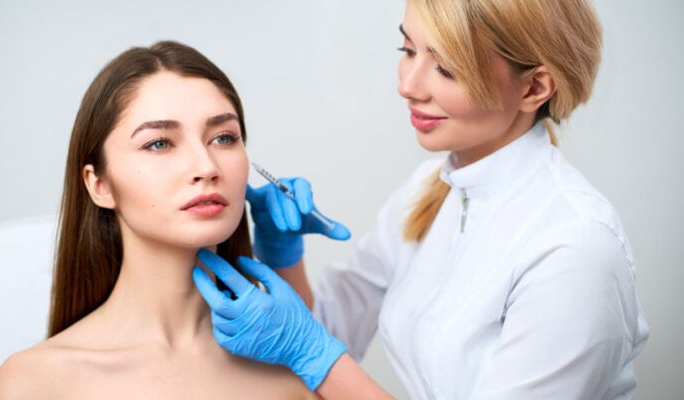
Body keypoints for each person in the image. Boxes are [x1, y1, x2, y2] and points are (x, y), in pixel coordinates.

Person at [193, 0, 649, 399]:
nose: (408, 85)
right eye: (407, 50)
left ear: (533, 88)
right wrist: (283, 255)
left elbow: (317, 352)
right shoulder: (432, 187)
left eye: (446, 68)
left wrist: (306, 348)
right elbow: (330, 334)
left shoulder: (574, 246)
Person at [0, 41, 316, 399]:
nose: (206, 166)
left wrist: (290, 272)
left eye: (223, 138)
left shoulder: (295, 370)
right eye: (159, 143)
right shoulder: (32, 385)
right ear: (100, 184)